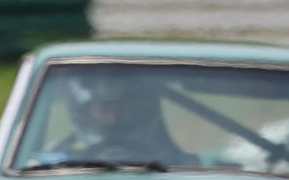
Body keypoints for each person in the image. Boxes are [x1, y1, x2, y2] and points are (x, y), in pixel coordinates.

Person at [55, 71, 191, 165]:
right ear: (83, 110)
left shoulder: (170, 160)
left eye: (123, 108)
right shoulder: (56, 162)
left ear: (141, 109)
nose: (112, 118)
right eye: (104, 109)